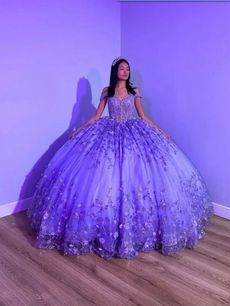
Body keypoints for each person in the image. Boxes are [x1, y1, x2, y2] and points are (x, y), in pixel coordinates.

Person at [27, 56, 214, 260]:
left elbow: (142, 116)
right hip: (108, 132)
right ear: (115, 70)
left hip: (133, 133)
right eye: (122, 68)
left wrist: (161, 131)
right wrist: (78, 129)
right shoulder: (107, 91)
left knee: (140, 174)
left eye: (127, 68)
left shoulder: (135, 92)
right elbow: (97, 116)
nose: (125, 71)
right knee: (103, 176)